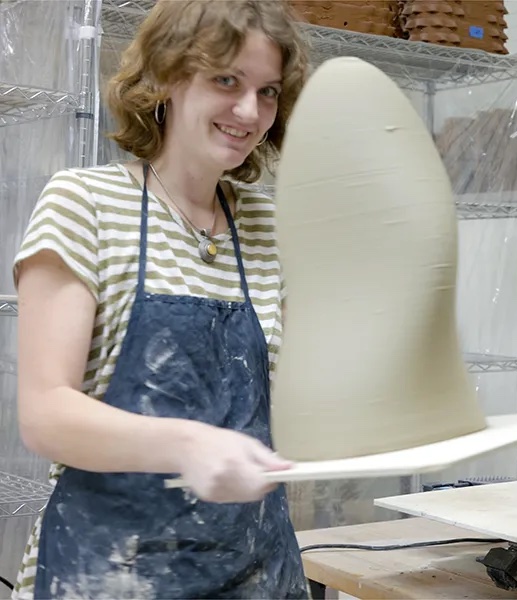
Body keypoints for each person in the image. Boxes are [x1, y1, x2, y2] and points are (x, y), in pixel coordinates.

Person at [11, 0, 310, 597]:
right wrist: (188, 444)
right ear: (168, 77)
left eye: (269, 91)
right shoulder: (86, 204)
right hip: (108, 568)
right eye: (226, 80)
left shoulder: (271, 225)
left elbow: (296, 399)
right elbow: (46, 415)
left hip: (254, 570)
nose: (249, 111)